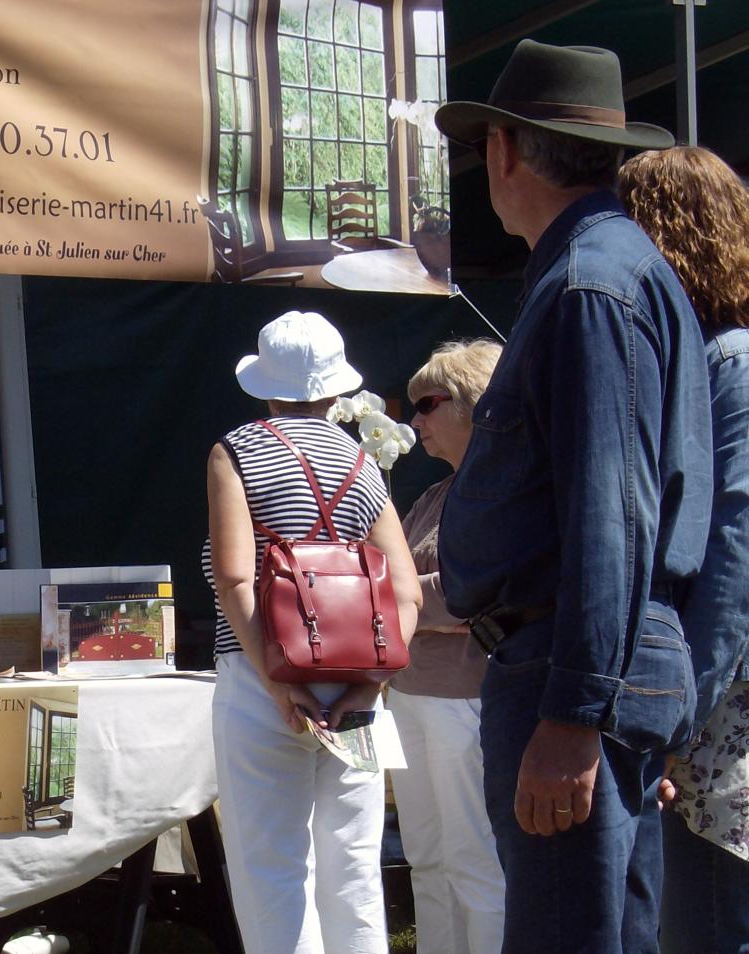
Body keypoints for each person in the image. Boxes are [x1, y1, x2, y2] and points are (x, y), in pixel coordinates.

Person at [433, 39, 714, 954]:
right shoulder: (609, 273)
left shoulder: (592, 285)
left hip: (569, 663)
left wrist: (571, 716)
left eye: (484, 153)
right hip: (590, 662)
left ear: (508, 151)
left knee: (570, 937)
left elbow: (613, 515)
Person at [203, 310, 421, 954]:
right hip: (356, 676)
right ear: (335, 385)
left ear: (264, 382)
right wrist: (370, 688)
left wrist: (276, 683)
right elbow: (405, 592)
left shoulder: (236, 450)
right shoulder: (362, 460)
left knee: (270, 864)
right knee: (353, 864)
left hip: (259, 673)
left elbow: (237, 581)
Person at [619, 145, 749, 954]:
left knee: (712, 927)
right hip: (713, 706)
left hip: (723, 715)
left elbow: (736, 553)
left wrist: (679, 718)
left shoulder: (729, 366)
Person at [386, 340, 505, 954]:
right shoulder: (432, 496)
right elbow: (396, 586)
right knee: (427, 861)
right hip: (411, 696)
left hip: (467, 702)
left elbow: (470, 592)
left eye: (428, 404)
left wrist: (409, 603)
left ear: (474, 403)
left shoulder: (503, 490)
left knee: (475, 863)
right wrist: (416, 603)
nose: (416, 421)